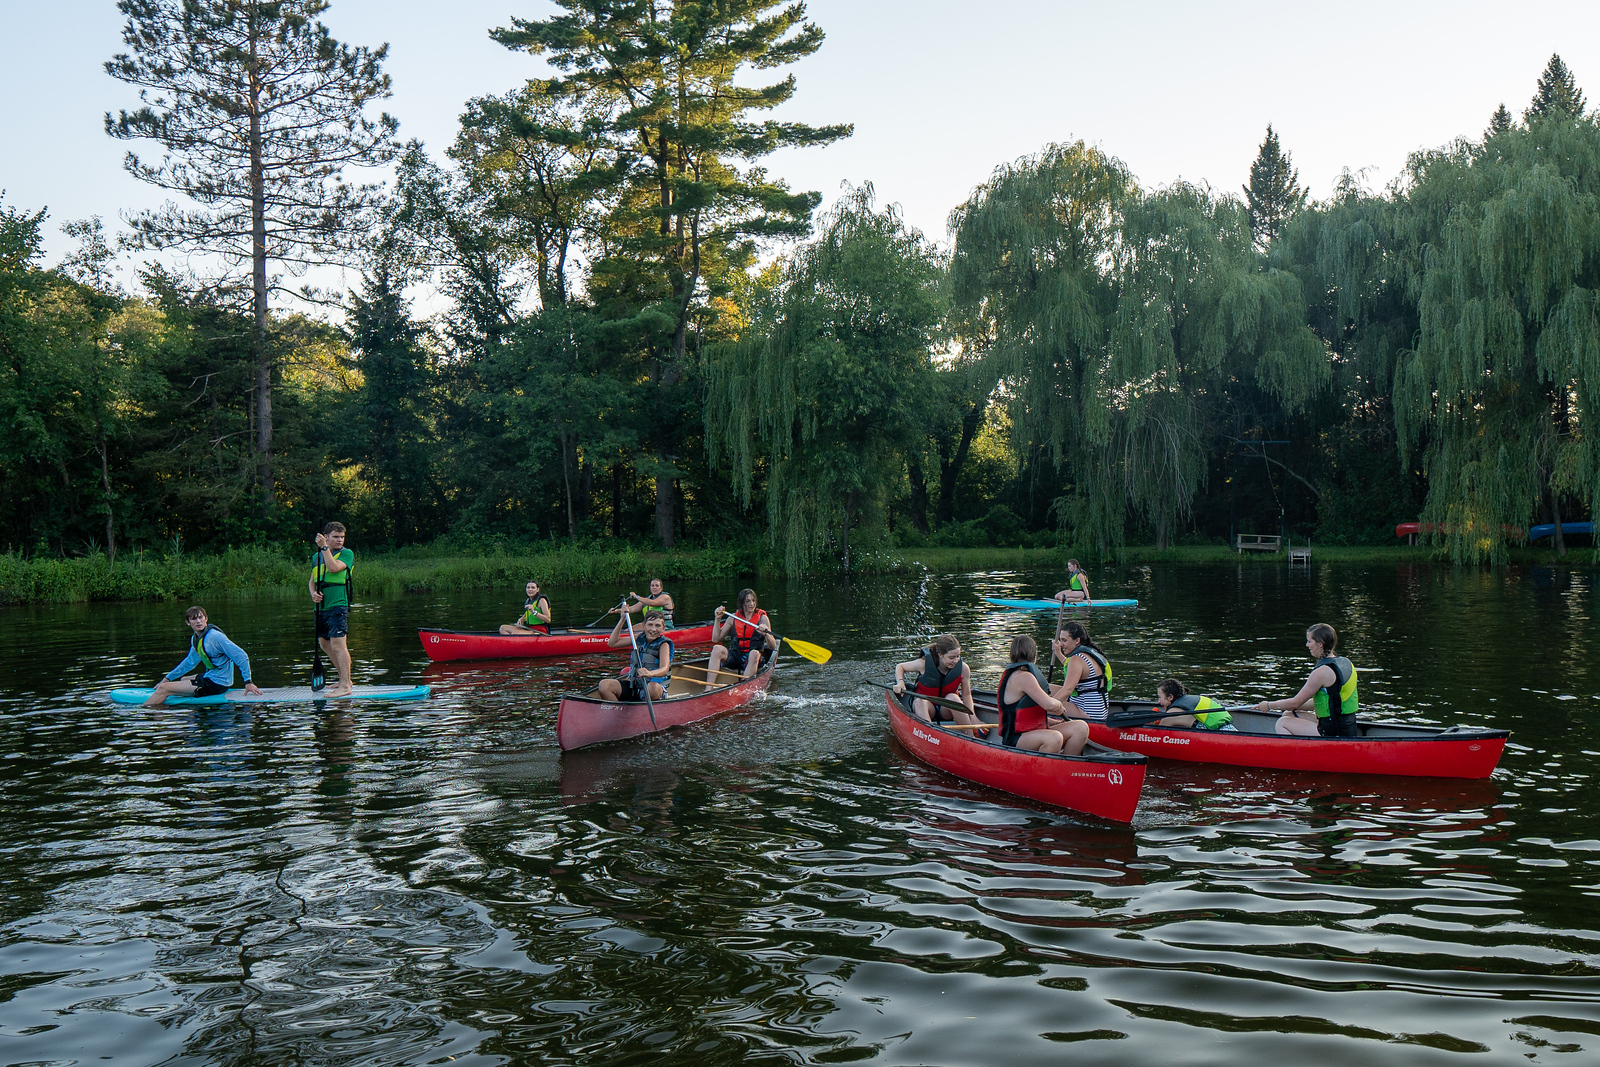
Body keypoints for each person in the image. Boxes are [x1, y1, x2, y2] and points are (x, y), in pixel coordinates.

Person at [144, 606, 264, 706]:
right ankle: (181, 699)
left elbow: (241, 656)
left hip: (217, 684)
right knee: (183, 679)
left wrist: (248, 682)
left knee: (163, 689)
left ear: (206, 619)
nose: (198, 621)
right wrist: (167, 678)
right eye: (194, 619)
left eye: (201, 617)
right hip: (210, 677)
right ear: (188, 622)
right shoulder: (196, 639)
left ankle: (144, 712)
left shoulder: (215, 637)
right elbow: (189, 663)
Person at [1256, 623, 1360, 737]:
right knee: (1289, 713)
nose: (1307, 645)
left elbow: (1295, 702)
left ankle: (1298, 753)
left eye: (1310, 641)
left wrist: (1269, 705)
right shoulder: (1346, 663)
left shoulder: (1321, 672)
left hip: (1333, 732)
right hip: (1346, 727)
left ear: (1320, 644)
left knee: (1282, 723)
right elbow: (1322, 703)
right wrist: (1286, 705)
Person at [997, 635, 1089, 754]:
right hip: (1016, 738)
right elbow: (1049, 705)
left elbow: (1032, 715)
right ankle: (1047, 770)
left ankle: (1065, 768)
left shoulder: (1030, 676)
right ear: (1034, 656)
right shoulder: (1023, 677)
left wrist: (1056, 722)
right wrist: (1058, 705)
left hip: (1036, 731)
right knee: (1053, 738)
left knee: (1080, 727)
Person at [308, 521, 354, 697]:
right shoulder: (316, 557)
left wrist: (325, 548)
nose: (340, 540)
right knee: (324, 644)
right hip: (320, 607)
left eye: (342, 537)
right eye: (335, 537)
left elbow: (334, 568)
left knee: (338, 644)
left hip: (337, 604)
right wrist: (313, 594)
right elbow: (311, 581)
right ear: (326, 537)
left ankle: (345, 685)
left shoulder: (347, 554)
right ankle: (345, 679)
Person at [892, 634, 977, 725]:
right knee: (920, 701)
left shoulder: (963, 669)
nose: (956, 661)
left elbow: (967, 694)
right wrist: (900, 682)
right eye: (951, 658)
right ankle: (928, 734)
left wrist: (974, 718)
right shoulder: (923, 664)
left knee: (953, 697)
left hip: (946, 710)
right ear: (940, 655)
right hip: (927, 708)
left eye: (958, 656)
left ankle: (970, 734)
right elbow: (900, 667)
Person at [705, 588, 777, 689]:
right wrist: (717, 619)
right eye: (748, 601)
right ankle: (708, 689)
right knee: (717, 648)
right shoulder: (733, 617)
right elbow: (715, 639)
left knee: (754, 654)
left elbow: (773, 646)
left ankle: (742, 689)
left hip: (753, 659)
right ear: (742, 603)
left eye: (753, 600)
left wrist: (766, 634)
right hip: (736, 656)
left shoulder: (762, 618)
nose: (752, 604)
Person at [597, 609, 673, 703]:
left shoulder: (664, 644)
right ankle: (619, 711)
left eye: (658, 626)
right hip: (636, 686)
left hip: (654, 688)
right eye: (650, 625)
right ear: (644, 626)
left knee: (652, 687)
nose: (653, 629)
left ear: (663, 628)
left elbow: (664, 669)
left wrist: (649, 673)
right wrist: (622, 620)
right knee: (604, 685)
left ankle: (640, 711)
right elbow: (612, 643)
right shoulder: (638, 638)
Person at [1051, 621, 1113, 721]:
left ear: (1077, 640)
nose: (1061, 644)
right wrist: (1058, 654)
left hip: (1087, 713)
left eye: (1064, 640)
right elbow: (1074, 670)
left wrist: (1048, 706)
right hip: (1099, 712)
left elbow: (1068, 690)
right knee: (1045, 688)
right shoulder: (1089, 654)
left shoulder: (1076, 659)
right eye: (1060, 640)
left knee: (1040, 704)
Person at [1152, 678, 1237, 730]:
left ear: (1170, 697)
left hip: (1220, 736)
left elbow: (1160, 734)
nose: (1159, 702)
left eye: (1160, 697)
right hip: (1231, 730)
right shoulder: (1189, 701)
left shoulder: (1173, 713)